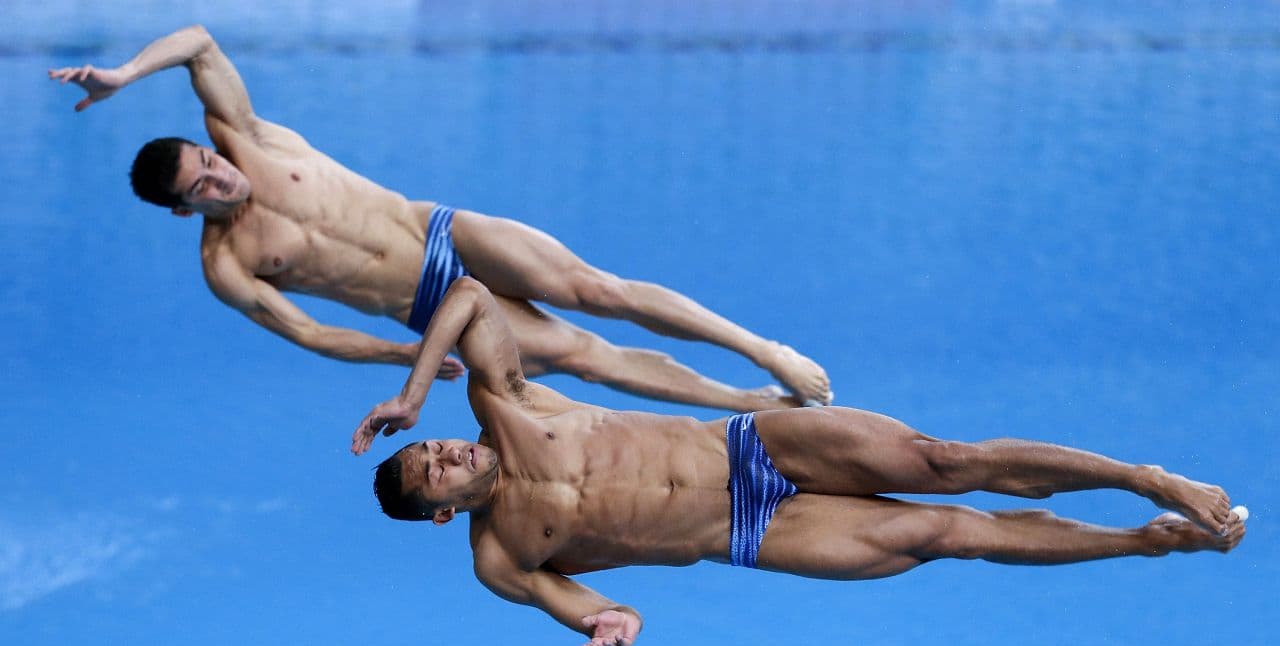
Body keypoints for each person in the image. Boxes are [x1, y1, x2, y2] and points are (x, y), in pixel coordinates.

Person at [350, 276, 1247, 646]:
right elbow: (592, 605)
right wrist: (616, 624)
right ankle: (1143, 540)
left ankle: (1146, 476)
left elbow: (468, 293)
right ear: (443, 511)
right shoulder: (501, 558)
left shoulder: (503, 407)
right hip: (753, 530)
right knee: (947, 534)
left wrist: (412, 392)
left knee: (947, 461)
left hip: (749, 445)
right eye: (437, 469)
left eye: (433, 444)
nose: (448, 452)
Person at [48, 25, 831, 412]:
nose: (221, 179)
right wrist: (405, 359)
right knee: (586, 357)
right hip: (425, 307)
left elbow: (199, 42)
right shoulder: (228, 266)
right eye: (203, 188)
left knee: (598, 292)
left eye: (208, 163)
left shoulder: (244, 137)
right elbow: (312, 334)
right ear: (184, 210)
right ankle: (752, 405)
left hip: (441, 234)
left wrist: (121, 74)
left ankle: (767, 352)